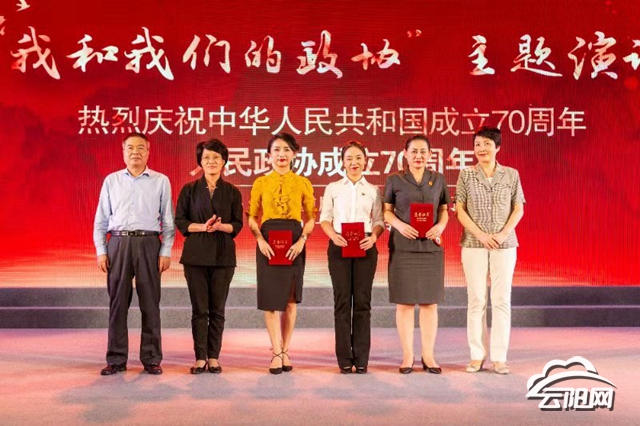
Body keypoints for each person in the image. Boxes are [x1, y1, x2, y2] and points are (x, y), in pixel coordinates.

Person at [93, 132, 175, 376]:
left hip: (149, 243)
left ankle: (151, 358)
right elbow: (101, 219)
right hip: (118, 243)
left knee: (150, 303)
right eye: (130, 147)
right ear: (123, 152)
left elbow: (168, 221)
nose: (135, 152)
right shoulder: (112, 181)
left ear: (148, 152)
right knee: (118, 303)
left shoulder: (161, 181)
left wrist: (165, 251)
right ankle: (116, 359)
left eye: (141, 147)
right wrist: (101, 251)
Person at [455, 126, 525, 375]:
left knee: (501, 299)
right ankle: (477, 355)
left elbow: (518, 208)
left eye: (486, 144)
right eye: (477, 144)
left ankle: (499, 357)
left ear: (497, 147)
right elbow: (460, 210)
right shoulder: (466, 174)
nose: (481, 149)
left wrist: (503, 234)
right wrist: (481, 235)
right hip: (474, 244)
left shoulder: (511, 175)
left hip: (504, 244)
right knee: (476, 300)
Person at [247, 132, 316, 374]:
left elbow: (311, 217)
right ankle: (275, 351)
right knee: (270, 301)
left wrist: (302, 240)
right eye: (276, 150)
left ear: (295, 154)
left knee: (290, 301)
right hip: (267, 242)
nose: (281, 154)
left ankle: (285, 349)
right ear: (269, 155)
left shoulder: (303, 183)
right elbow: (252, 217)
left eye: (287, 149)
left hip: (294, 242)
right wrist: (259, 239)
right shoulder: (260, 183)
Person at [175, 139, 243, 374]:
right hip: (195, 256)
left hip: (223, 257)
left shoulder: (232, 191)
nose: (211, 161)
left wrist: (221, 227)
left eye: (216, 157)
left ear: (224, 161)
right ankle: (200, 358)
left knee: (217, 309)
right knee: (199, 310)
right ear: (200, 162)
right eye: (206, 158)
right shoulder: (189, 190)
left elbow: (238, 224)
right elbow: (180, 221)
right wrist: (203, 227)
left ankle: (213, 357)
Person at [383, 135, 449, 374]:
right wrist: (400, 226)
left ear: (430, 154)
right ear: (405, 154)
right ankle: (408, 356)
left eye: (423, 152)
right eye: (414, 151)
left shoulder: (438, 179)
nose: (418, 156)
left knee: (430, 303)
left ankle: (428, 356)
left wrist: (441, 226)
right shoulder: (394, 179)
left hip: (430, 247)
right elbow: (386, 211)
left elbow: (444, 210)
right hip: (403, 246)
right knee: (405, 303)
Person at [320, 141, 384, 374]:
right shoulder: (333, 188)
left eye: (358, 158)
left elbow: (379, 220)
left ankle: (362, 357)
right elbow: (325, 218)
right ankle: (344, 358)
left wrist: (374, 237)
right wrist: (333, 236)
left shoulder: (374, 190)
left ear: (365, 161)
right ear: (342, 162)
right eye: (349, 158)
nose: (354, 162)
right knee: (342, 302)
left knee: (363, 303)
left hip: (365, 247)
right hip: (340, 247)